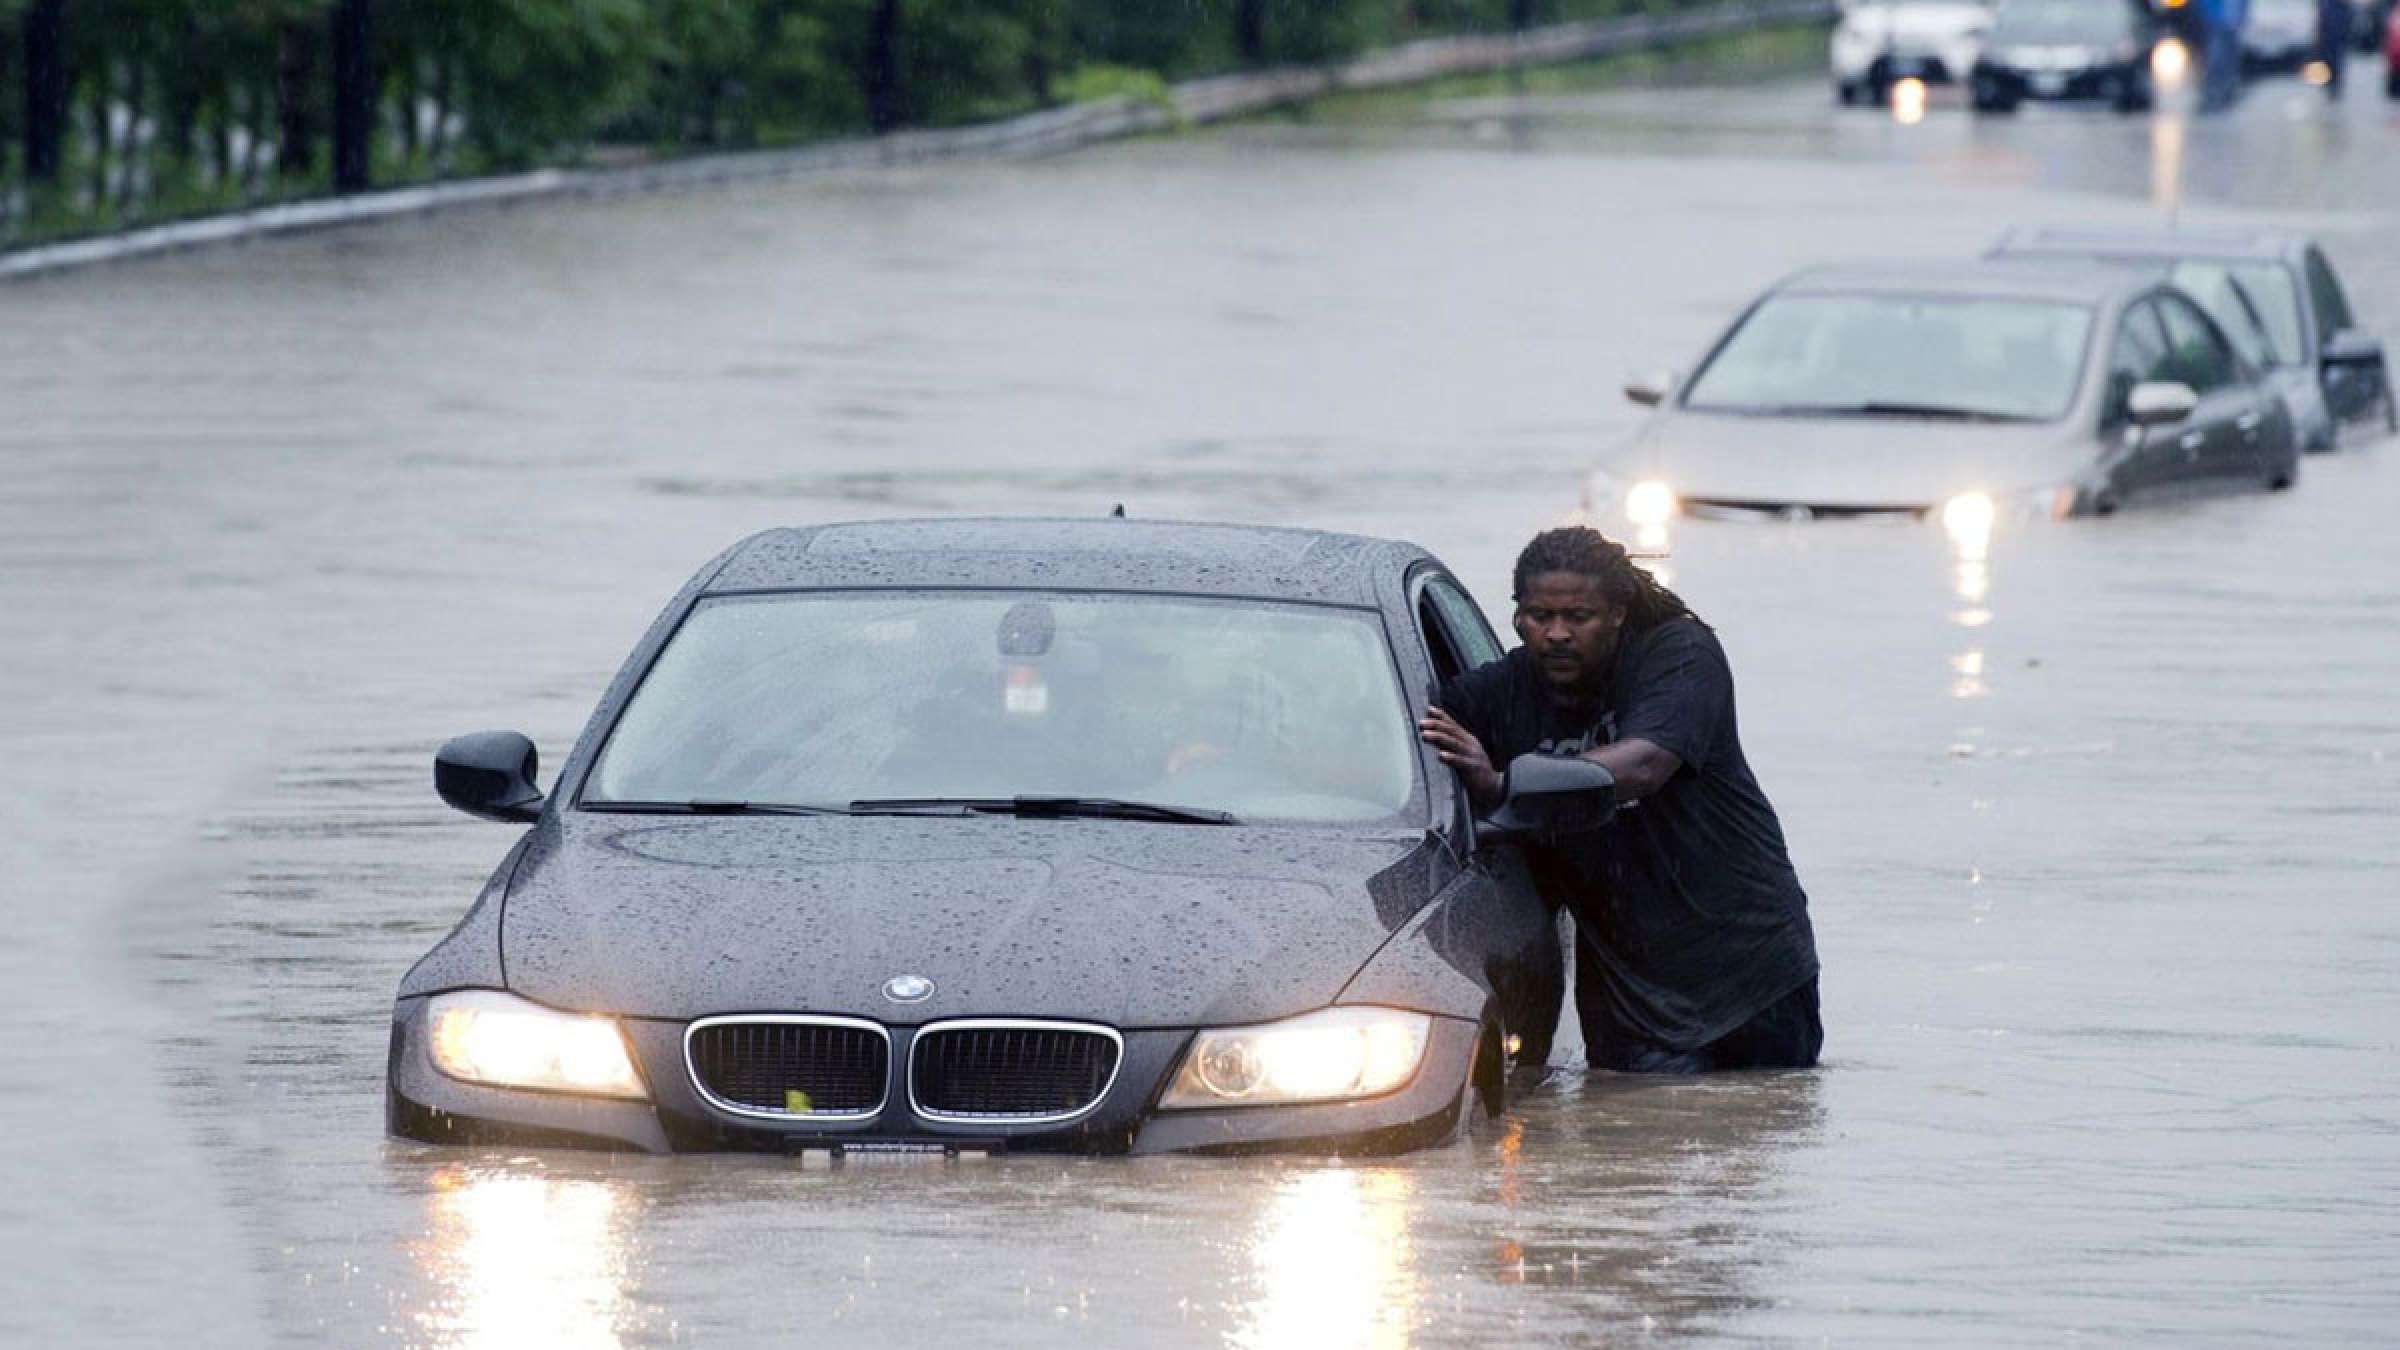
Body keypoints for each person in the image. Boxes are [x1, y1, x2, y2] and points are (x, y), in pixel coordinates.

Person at [1418, 527, 1821, 1073]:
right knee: (1629, 1120)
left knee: (1763, 1116)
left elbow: (1645, 764)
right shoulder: (1499, 694)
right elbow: (1401, 737)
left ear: (1617, 614)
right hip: (1629, 992)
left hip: (1748, 971)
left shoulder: (1679, 656)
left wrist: (1504, 786)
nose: (1557, 634)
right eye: (1539, 616)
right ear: (1517, 616)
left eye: (1578, 617)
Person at [2317, 0, 2352, 97]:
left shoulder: (2337, 6)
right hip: (2330, 37)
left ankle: (2333, 84)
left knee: (2335, 61)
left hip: (2335, 37)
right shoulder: (2329, 5)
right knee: (2331, 60)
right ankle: (2331, 83)